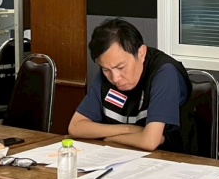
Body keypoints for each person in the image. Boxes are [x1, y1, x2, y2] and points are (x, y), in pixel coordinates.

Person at [68, 18, 192, 151]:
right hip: (121, 155)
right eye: (106, 70)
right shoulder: (110, 67)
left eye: (121, 67)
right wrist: (129, 129)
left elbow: (150, 142)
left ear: (141, 53)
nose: (115, 78)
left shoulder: (165, 73)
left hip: (172, 158)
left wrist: (109, 138)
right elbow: (75, 127)